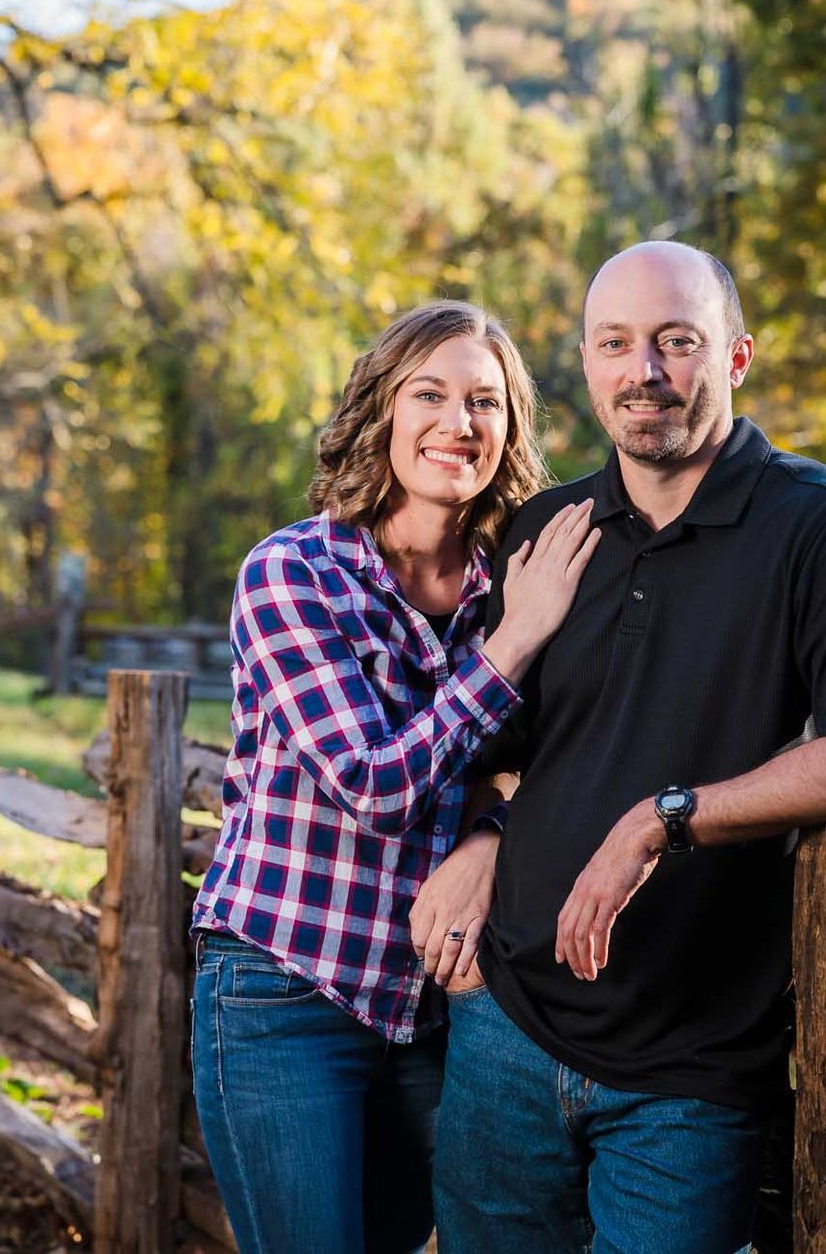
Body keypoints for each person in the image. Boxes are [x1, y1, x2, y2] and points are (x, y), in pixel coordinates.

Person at [433, 241, 826, 1252]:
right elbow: (510, 745)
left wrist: (663, 820)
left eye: (677, 341)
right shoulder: (547, 527)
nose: (646, 372)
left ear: (736, 356)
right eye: (617, 344)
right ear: (586, 362)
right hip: (508, 1028)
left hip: (694, 1062)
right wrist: (488, 836)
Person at [189, 299, 601, 1253]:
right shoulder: (293, 574)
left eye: (486, 403)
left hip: (430, 1007)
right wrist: (515, 645)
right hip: (282, 989)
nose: (460, 424)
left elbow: (570, 759)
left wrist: (496, 832)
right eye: (431, 394)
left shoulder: (517, 583)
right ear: (382, 410)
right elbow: (374, 786)